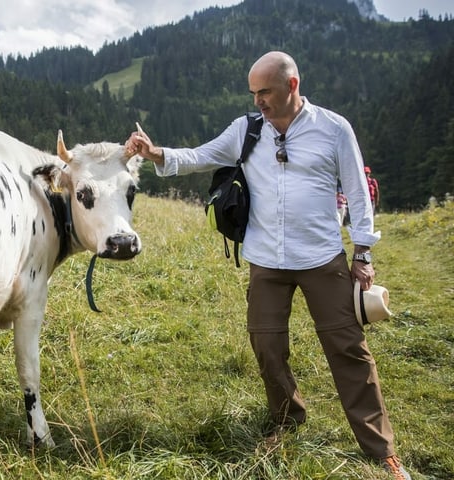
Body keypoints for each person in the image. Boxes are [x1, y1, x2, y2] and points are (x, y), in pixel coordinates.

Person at [126, 51, 411, 480]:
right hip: (266, 261)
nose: (258, 100)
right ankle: (286, 422)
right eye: (253, 92)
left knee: (348, 350)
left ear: (292, 85)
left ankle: (380, 448)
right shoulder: (247, 129)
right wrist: (155, 152)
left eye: (265, 92)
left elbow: (357, 192)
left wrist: (363, 252)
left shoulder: (333, 129)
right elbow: (199, 156)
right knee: (267, 347)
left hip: (321, 258)